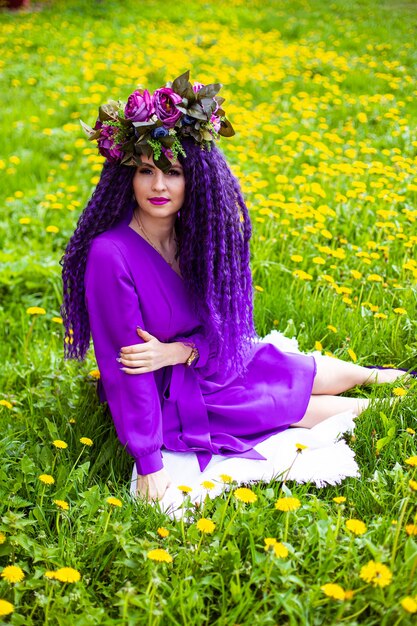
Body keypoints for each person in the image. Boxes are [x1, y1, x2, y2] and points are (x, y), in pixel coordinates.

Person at [61, 71, 407, 502]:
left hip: (204, 363)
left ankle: (387, 376)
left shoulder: (198, 237)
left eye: (173, 172)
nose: (158, 186)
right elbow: (125, 373)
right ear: (126, 177)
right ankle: (388, 406)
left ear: (195, 180)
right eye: (146, 170)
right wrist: (149, 462)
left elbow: (222, 328)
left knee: (281, 365)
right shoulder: (110, 255)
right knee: (286, 406)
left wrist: (183, 351)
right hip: (170, 400)